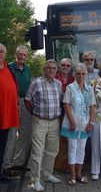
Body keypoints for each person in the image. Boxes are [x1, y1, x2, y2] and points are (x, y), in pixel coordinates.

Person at [25, 59, 63, 191]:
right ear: (44, 69)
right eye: (49, 68)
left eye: (54, 68)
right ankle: (35, 180)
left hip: (55, 122)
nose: (51, 70)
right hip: (39, 121)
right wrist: (35, 114)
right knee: (37, 152)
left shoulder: (58, 84)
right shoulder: (36, 83)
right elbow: (27, 100)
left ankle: (47, 174)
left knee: (52, 150)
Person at [60, 63, 96, 186]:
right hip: (73, 124)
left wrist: (91, 122)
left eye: (83, 73)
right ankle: (73, 175)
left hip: (85, 124)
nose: (81, 76)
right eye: (78, 73)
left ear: (86, 75)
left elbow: (92, 107)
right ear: (74, 75)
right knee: (72, 149)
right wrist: (72, 121)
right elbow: (66, 105)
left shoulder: (90, 89)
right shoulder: (70, 88)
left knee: (81, 150)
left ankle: (79, 174)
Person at [2, 46, 31, 178]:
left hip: (24, 102)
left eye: (24, 55)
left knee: (25, 134)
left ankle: (19, 163)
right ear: (15, 55)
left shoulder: (28, 68)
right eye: (20, 54)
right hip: (12, 103)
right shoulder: (9, 68)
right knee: (11, 135)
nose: (22, 57)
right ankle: (6, 165)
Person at [0, 43, 20, 183]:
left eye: (1, 51)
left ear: (5, 54)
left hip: (7, 116)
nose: (0, 53)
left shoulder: (8, 69)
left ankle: (1, 173)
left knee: (2, 146)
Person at [54, 58, 74, 171]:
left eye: (67, 65)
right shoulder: (54, 78)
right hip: (57, 113)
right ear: (59, 66)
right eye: (63, 65)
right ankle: (58, 164)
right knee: (58, 140)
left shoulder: (73, 79)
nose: (65, 67)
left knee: (68, 140)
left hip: (70, 113)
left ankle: (67, 164)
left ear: (70, 67)